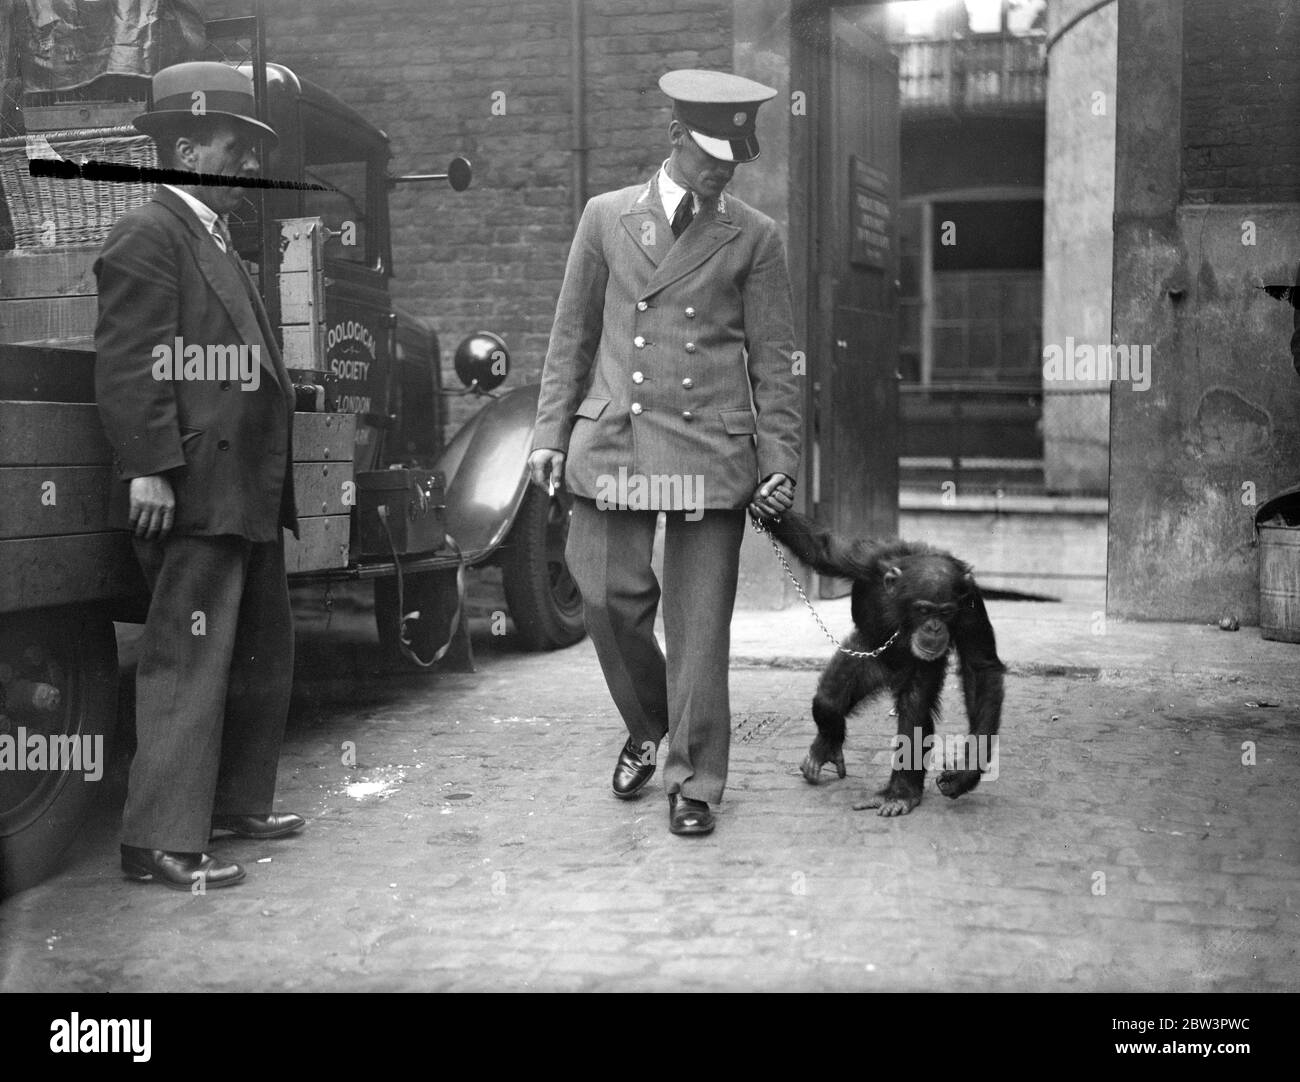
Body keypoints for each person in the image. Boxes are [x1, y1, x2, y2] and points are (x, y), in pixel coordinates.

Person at [529, 69, 802, 836]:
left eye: (733, 160)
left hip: (709, 449)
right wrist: (548, 436)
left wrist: (779, 457)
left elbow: (776, 360)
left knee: (698, 624)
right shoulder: (606, 217)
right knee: (607, 600)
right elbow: (571, 337)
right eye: (711, 152)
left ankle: (695, 779)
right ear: (674, 134)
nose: (722, 169)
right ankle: (651, 728)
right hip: (616, 440)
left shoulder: (754, 234)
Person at [95, 62, 304, 890]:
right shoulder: (149, 232)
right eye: (235, 150)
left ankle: (233, 805)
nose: (248, 168)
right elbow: (127, 363)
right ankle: (157, 840)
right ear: (185, 148)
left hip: (243, 486)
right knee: (187, 660)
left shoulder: (211, 235)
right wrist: (149, 468)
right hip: (195, 487)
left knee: (258, 648)